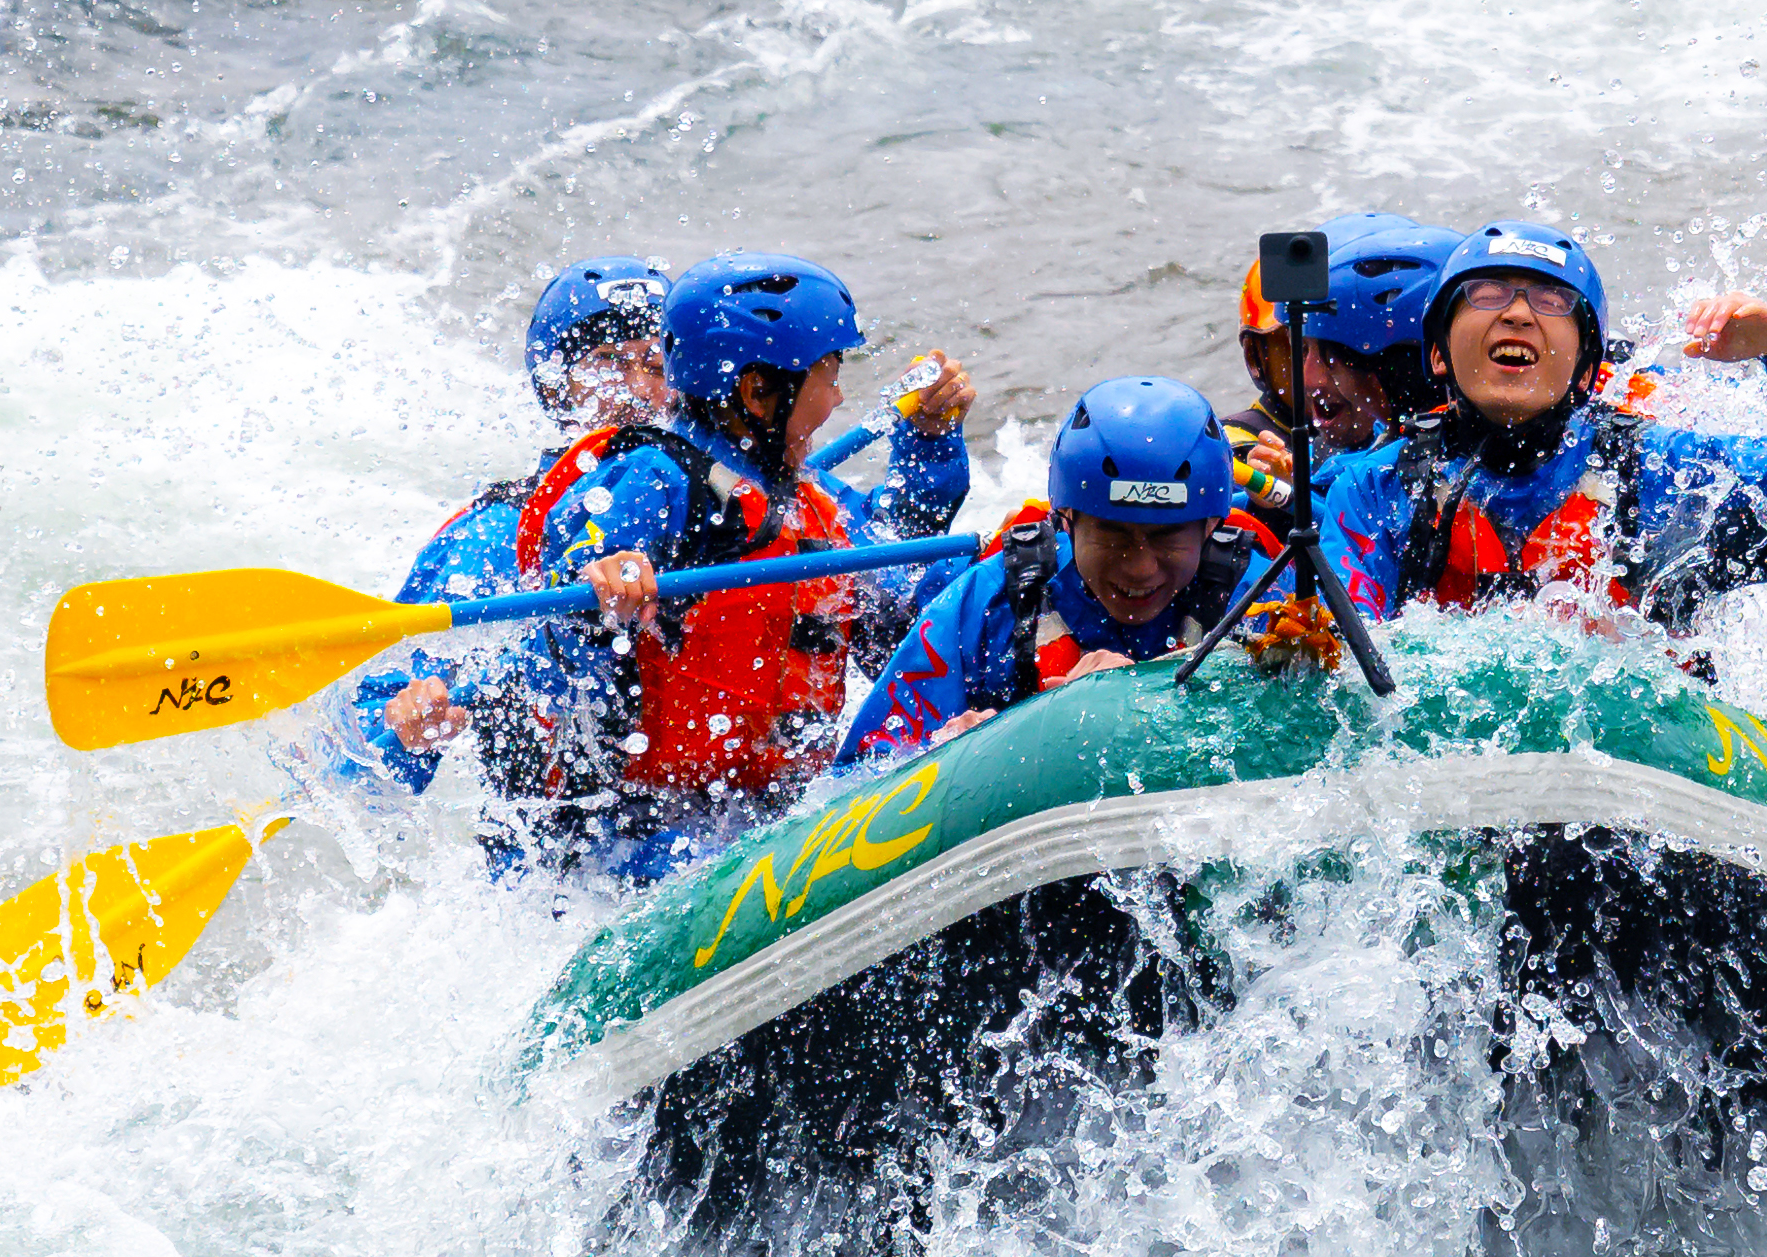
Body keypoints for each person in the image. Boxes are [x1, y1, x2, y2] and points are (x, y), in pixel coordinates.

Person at [512, 251, 977, 875]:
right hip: (639, 825)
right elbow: (575, 574)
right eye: (828, 375)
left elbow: (902, 576)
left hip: (774, 804)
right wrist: (608, 571)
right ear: (758, 393)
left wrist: (930, 444)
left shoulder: (812, 499)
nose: (839, 399)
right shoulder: (654, 476)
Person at [1313, 220, 1767, 635]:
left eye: (1552, 302)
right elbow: (1352, 644)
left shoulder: (1660, 472)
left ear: (1586, 370)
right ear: (1439, 356)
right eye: (1487, 293)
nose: (1520, 313)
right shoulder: (1377, 490)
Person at [351, 255, 672, 789]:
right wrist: (402, 722)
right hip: (567, 848)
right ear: (557, 389)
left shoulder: (733, 498)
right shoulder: (494, 534)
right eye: (610, 364)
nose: (638, 389)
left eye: (657, 366)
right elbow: (366, 744)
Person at [836, 377, 1277, 764]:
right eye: (1113, 535)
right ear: (1066, 518)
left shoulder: (1261, 595)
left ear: (1211, 526)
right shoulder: (991, 597)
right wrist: (955, 753)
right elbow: (856, 775)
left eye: (1167, 537)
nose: (1141, 567)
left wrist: (1140, 696)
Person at [1223, 213, 1458, 521]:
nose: (1307, 378)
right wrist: (1276, 506)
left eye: (1334, 354)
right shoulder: (1244, 453)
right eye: (1296, 351)